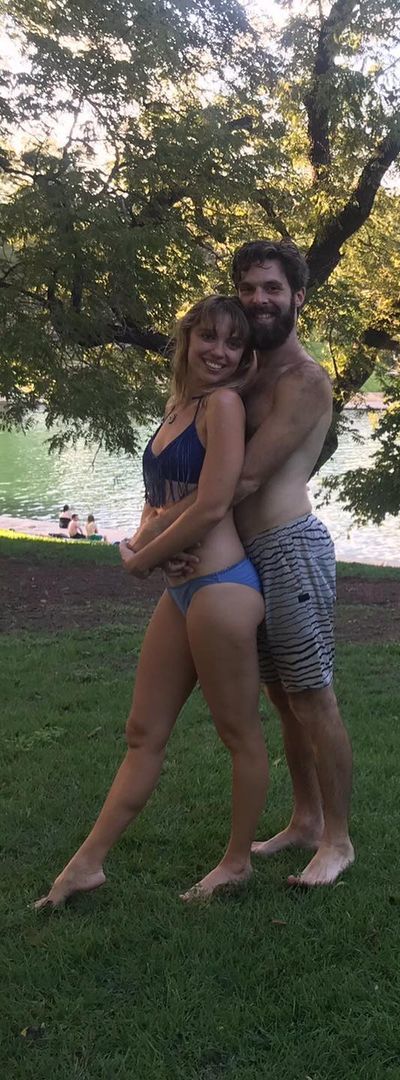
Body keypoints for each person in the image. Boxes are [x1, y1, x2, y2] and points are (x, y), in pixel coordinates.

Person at [35, 295, 267, 908]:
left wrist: (140, 560)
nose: (219, 352)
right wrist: (152, 547)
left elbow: (213, 503)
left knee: (238, 733)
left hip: (222, 589)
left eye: (234, 343)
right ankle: (86, 865)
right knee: (142, 731)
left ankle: (237, 863)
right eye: (209, 337)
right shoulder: (179, 406)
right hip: (182, 588)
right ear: (187, 338)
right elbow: (158, 498)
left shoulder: (223, 406)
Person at [148, 240, 354, 887]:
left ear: (298, 297)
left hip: (288, 548)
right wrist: (182, 534)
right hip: (241, 553)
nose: (259, 299)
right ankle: (305, 820)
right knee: (282, 698)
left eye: (272, 288)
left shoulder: (304, 381)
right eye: (248, 288)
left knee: (311, 694)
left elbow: (241, 480)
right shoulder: (243, 372)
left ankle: (338, 841)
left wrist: (163, 538)